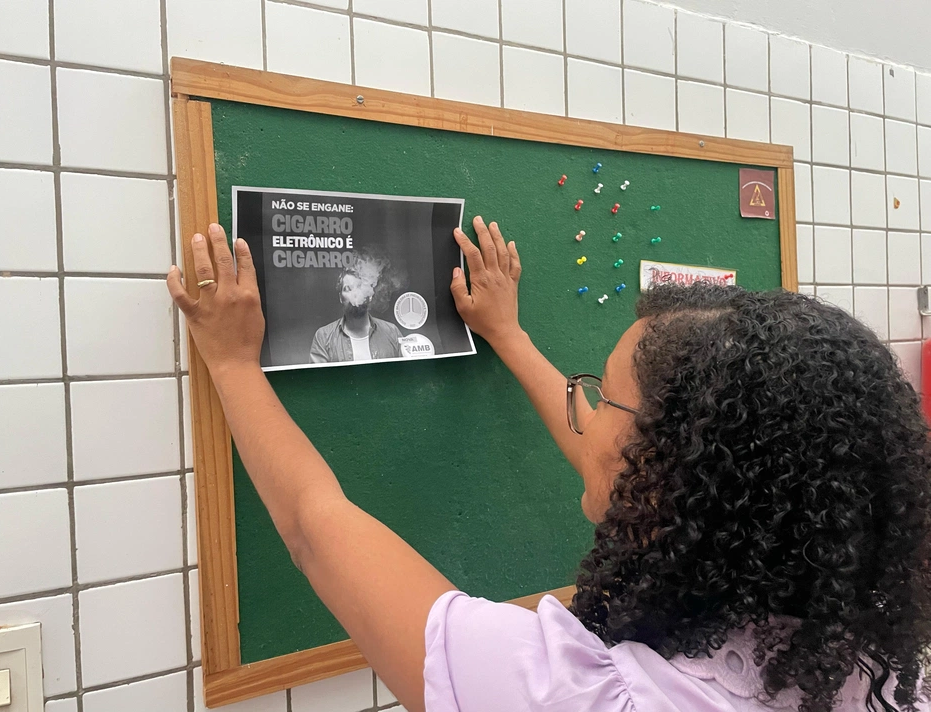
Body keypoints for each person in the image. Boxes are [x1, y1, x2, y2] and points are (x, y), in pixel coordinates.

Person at [167, 218, 931, 712]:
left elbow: (313, 526)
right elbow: (613, 460)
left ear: (666, 474)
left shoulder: (582, 698)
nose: (588, 418)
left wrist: (234, 364)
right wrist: (508, 334)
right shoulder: (872, 659)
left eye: (606, 399)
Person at [309, 257, 403, 363]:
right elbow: (317, 378)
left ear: (370, 294)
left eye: (360, 287)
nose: (355, 294)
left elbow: (404, 375)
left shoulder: (392, 332)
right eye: (347, 289)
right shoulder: (324, 337)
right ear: (340, 297)